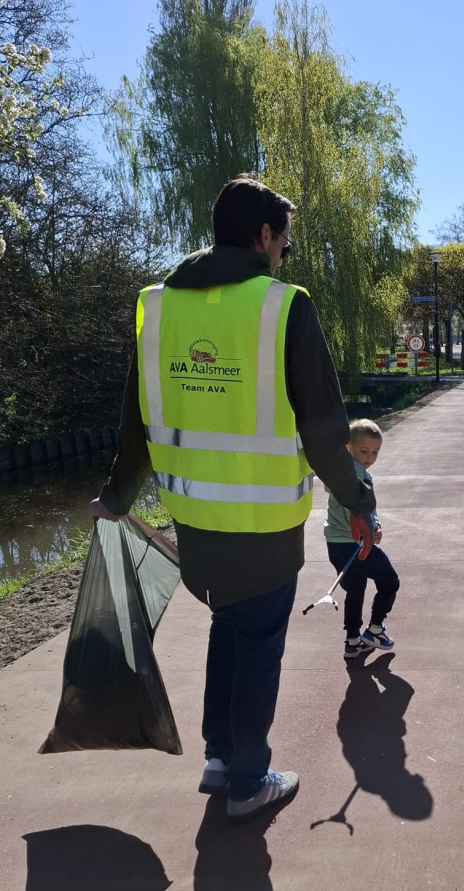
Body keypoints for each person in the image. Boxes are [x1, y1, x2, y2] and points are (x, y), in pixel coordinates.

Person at [89, 175, 376, 824]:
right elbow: (325, 433)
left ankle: (220, 756)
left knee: (228, 624)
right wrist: (360, 501)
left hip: (195, 530)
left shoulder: (155, 307)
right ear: (264, 235)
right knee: (258, 646)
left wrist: (115, 494)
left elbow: (135, 417)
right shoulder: (285, 308)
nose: (284, 258)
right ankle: (249, 779)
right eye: (285, 245)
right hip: (263, 530)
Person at [324, 418, 400, 660]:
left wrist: (375, 524)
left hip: (335, 542)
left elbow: (367, 508)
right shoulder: (350, 473)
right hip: (352, 543)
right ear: (349, 448)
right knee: (389, 581)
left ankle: (353, 640)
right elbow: (353, 505)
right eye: (364, 451)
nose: (369, 457)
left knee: (355, 588)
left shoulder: (355, 471)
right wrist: (368, 528)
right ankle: (375, 629)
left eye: (375, 452)